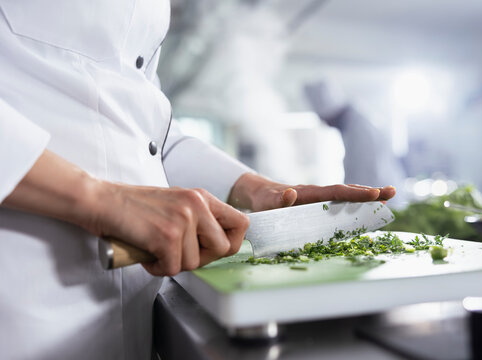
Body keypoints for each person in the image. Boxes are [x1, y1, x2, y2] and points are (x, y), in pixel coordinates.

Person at [0, 2, 395, 360]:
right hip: (25, 300)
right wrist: (98, 198)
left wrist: (255, 188)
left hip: (125, 314)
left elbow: (148, 134)